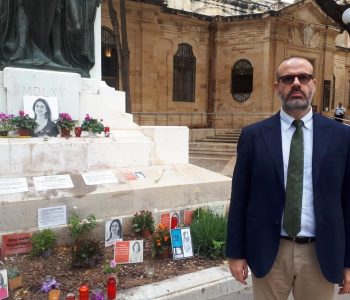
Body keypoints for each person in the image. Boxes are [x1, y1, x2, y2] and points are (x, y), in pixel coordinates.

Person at [226, 57, 350, 300]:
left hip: (320, 253)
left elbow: (348, 201)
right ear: (277, 87)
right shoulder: (253, 136)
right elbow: (240, 197)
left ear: (313, 84)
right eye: (288, 79)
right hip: (269, 252)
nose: (296, 83)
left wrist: (349, 262)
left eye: (303, 78)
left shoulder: (341, 136)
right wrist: (235, 253)